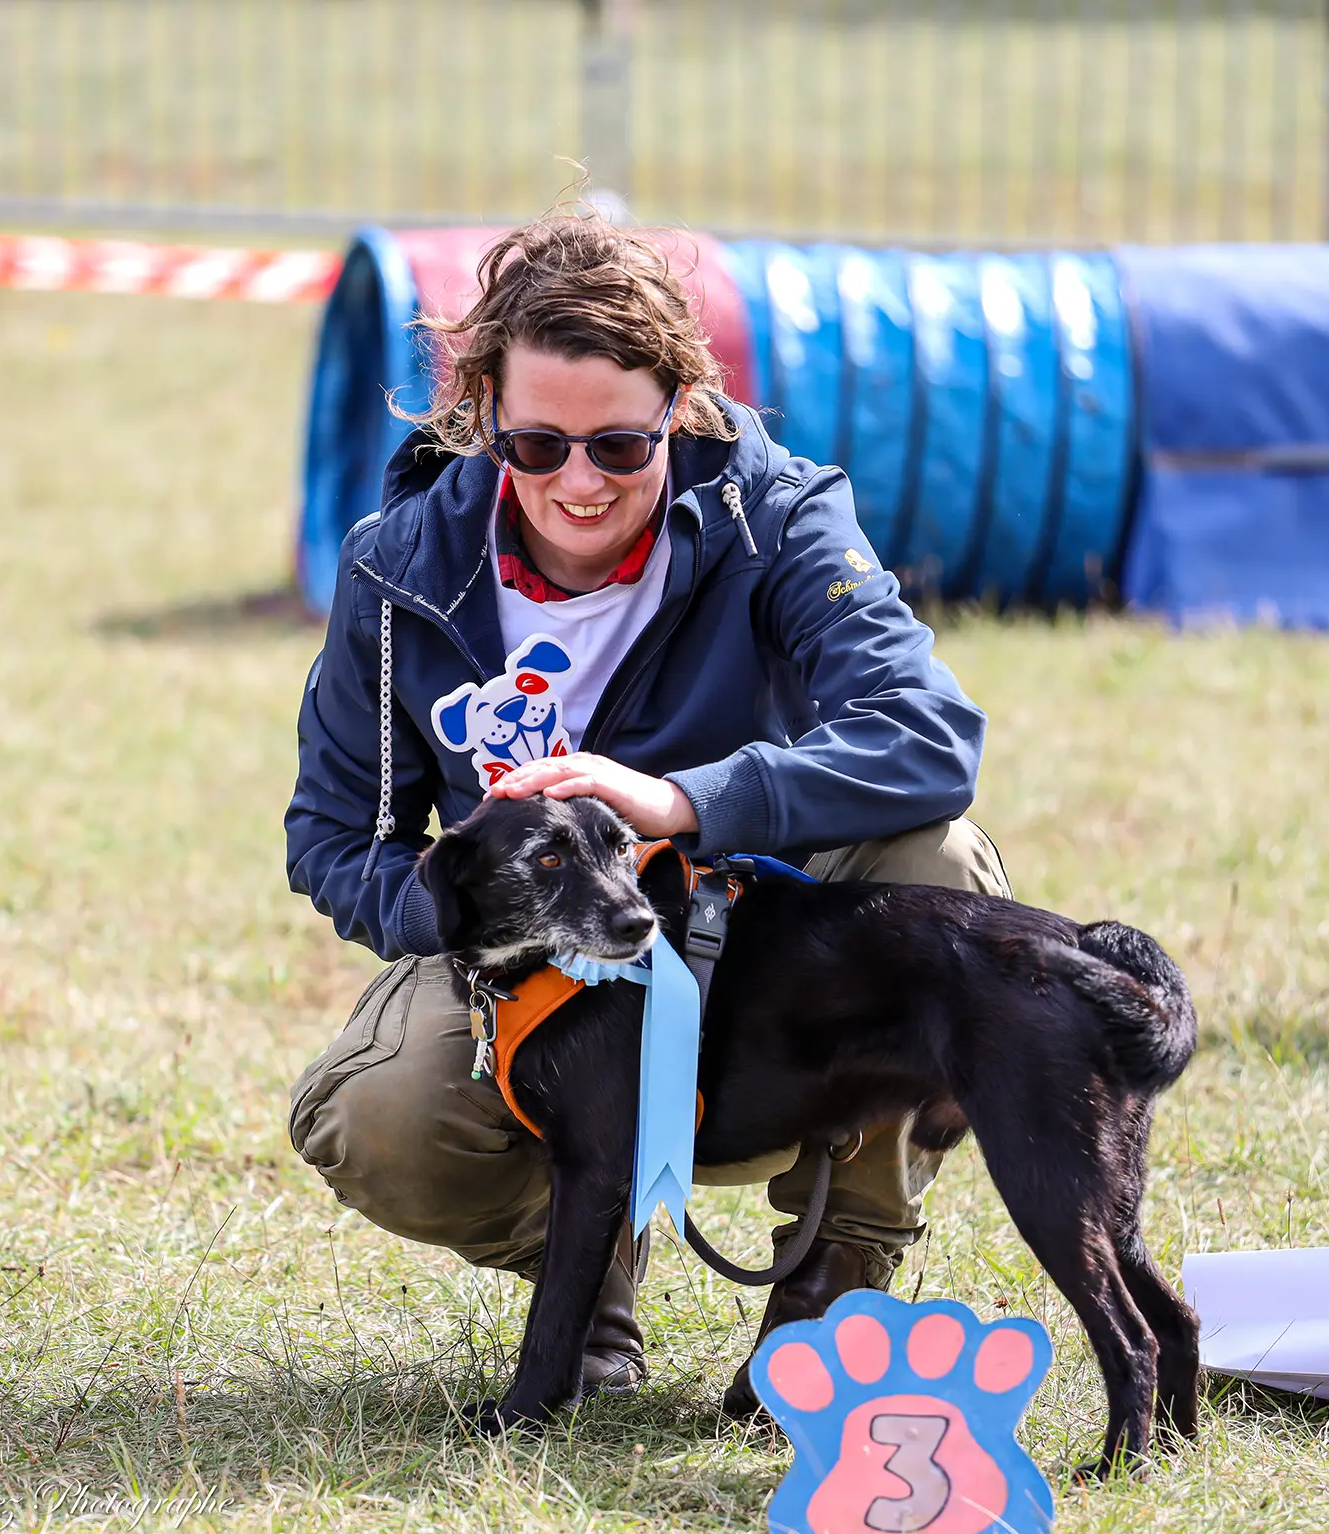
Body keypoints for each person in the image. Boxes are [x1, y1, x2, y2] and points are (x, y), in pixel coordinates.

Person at [284, 209, 1008, 1414]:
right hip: (541, 958)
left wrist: (681, 803)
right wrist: (475, 924)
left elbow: (928, 736)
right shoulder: (395, 566)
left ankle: (838, 1280)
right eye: (537, 443)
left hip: (762, 938)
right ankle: (589, 1269)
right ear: (480, 415)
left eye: (620, 446)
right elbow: (333, 838)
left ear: (679, 404)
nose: (577, 483)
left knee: (939, 861)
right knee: (375, 1119)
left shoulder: (775, 514)